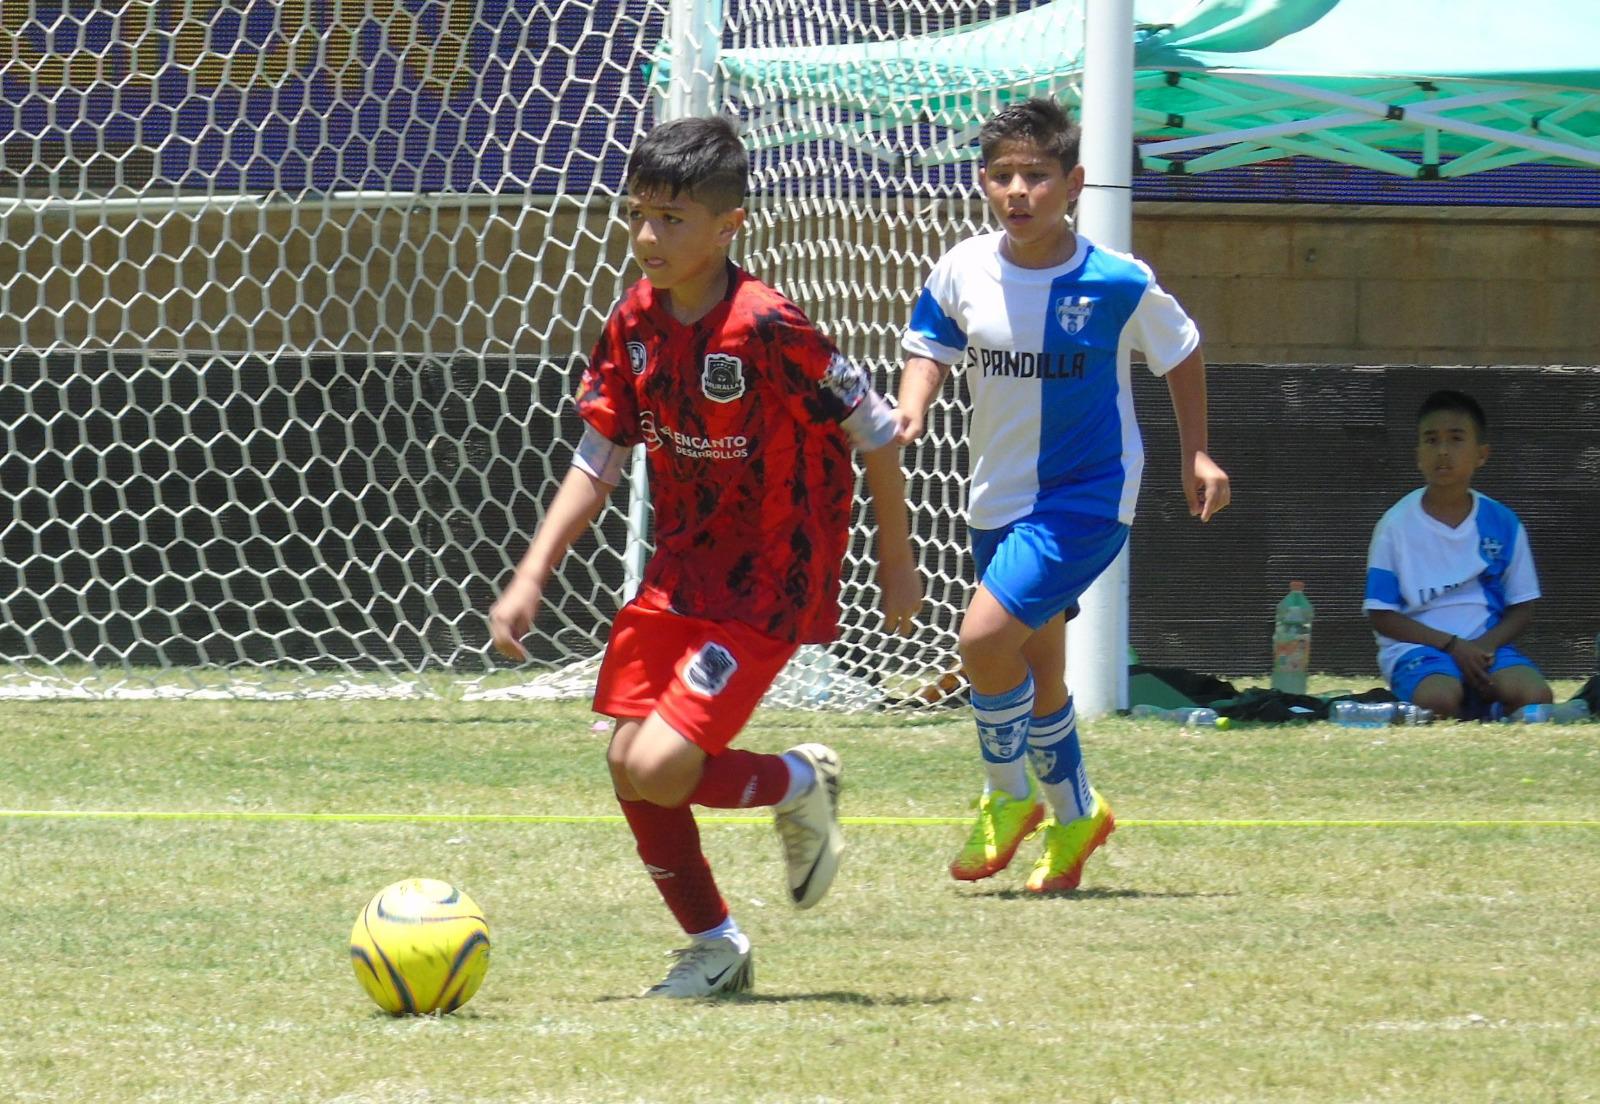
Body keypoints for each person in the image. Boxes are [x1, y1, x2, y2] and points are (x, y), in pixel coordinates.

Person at [488, 116, 921, 998]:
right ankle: (716, 946)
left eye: (672, 219)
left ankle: (798, 779)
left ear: (731, 226)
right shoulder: (634, 323)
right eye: (638, 213)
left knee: (658, 765)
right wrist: (533, 572)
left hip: (770, 579)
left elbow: (875, 431)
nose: (648, 236)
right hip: (679, 573)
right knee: (623, 760)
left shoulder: (768, 325)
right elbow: (596, 459)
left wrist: (897, 559)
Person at [896, 97, 1229, 893]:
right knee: (1037, 669)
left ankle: (1007, 799)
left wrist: (1199, 452)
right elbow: (929, 348)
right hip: (996, 497)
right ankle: (1078, 817)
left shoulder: (1117, 281)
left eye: (1036, 176)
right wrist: (911, 406)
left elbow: (1180, 352)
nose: (1018, 191)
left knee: (981, 643)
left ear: (1073, 183)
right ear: (983, 182)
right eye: (1002, 175)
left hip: (1088, 495)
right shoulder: (962, 267)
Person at [1363, 389, 1552, 720]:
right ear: (1418, 454)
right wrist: (1452, 646)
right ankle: (1480, 707)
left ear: (1481, 454)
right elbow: (1381, 614)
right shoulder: (1394, 525)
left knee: (1535, 695)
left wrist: (1482, 646)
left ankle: (1487, 704)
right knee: (1439, 699)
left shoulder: (1502, 522)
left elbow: (1523, 605)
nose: (1443, 452)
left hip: (1486, 648)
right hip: (1419, 650)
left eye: (1455, 439)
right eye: (1431, 440)